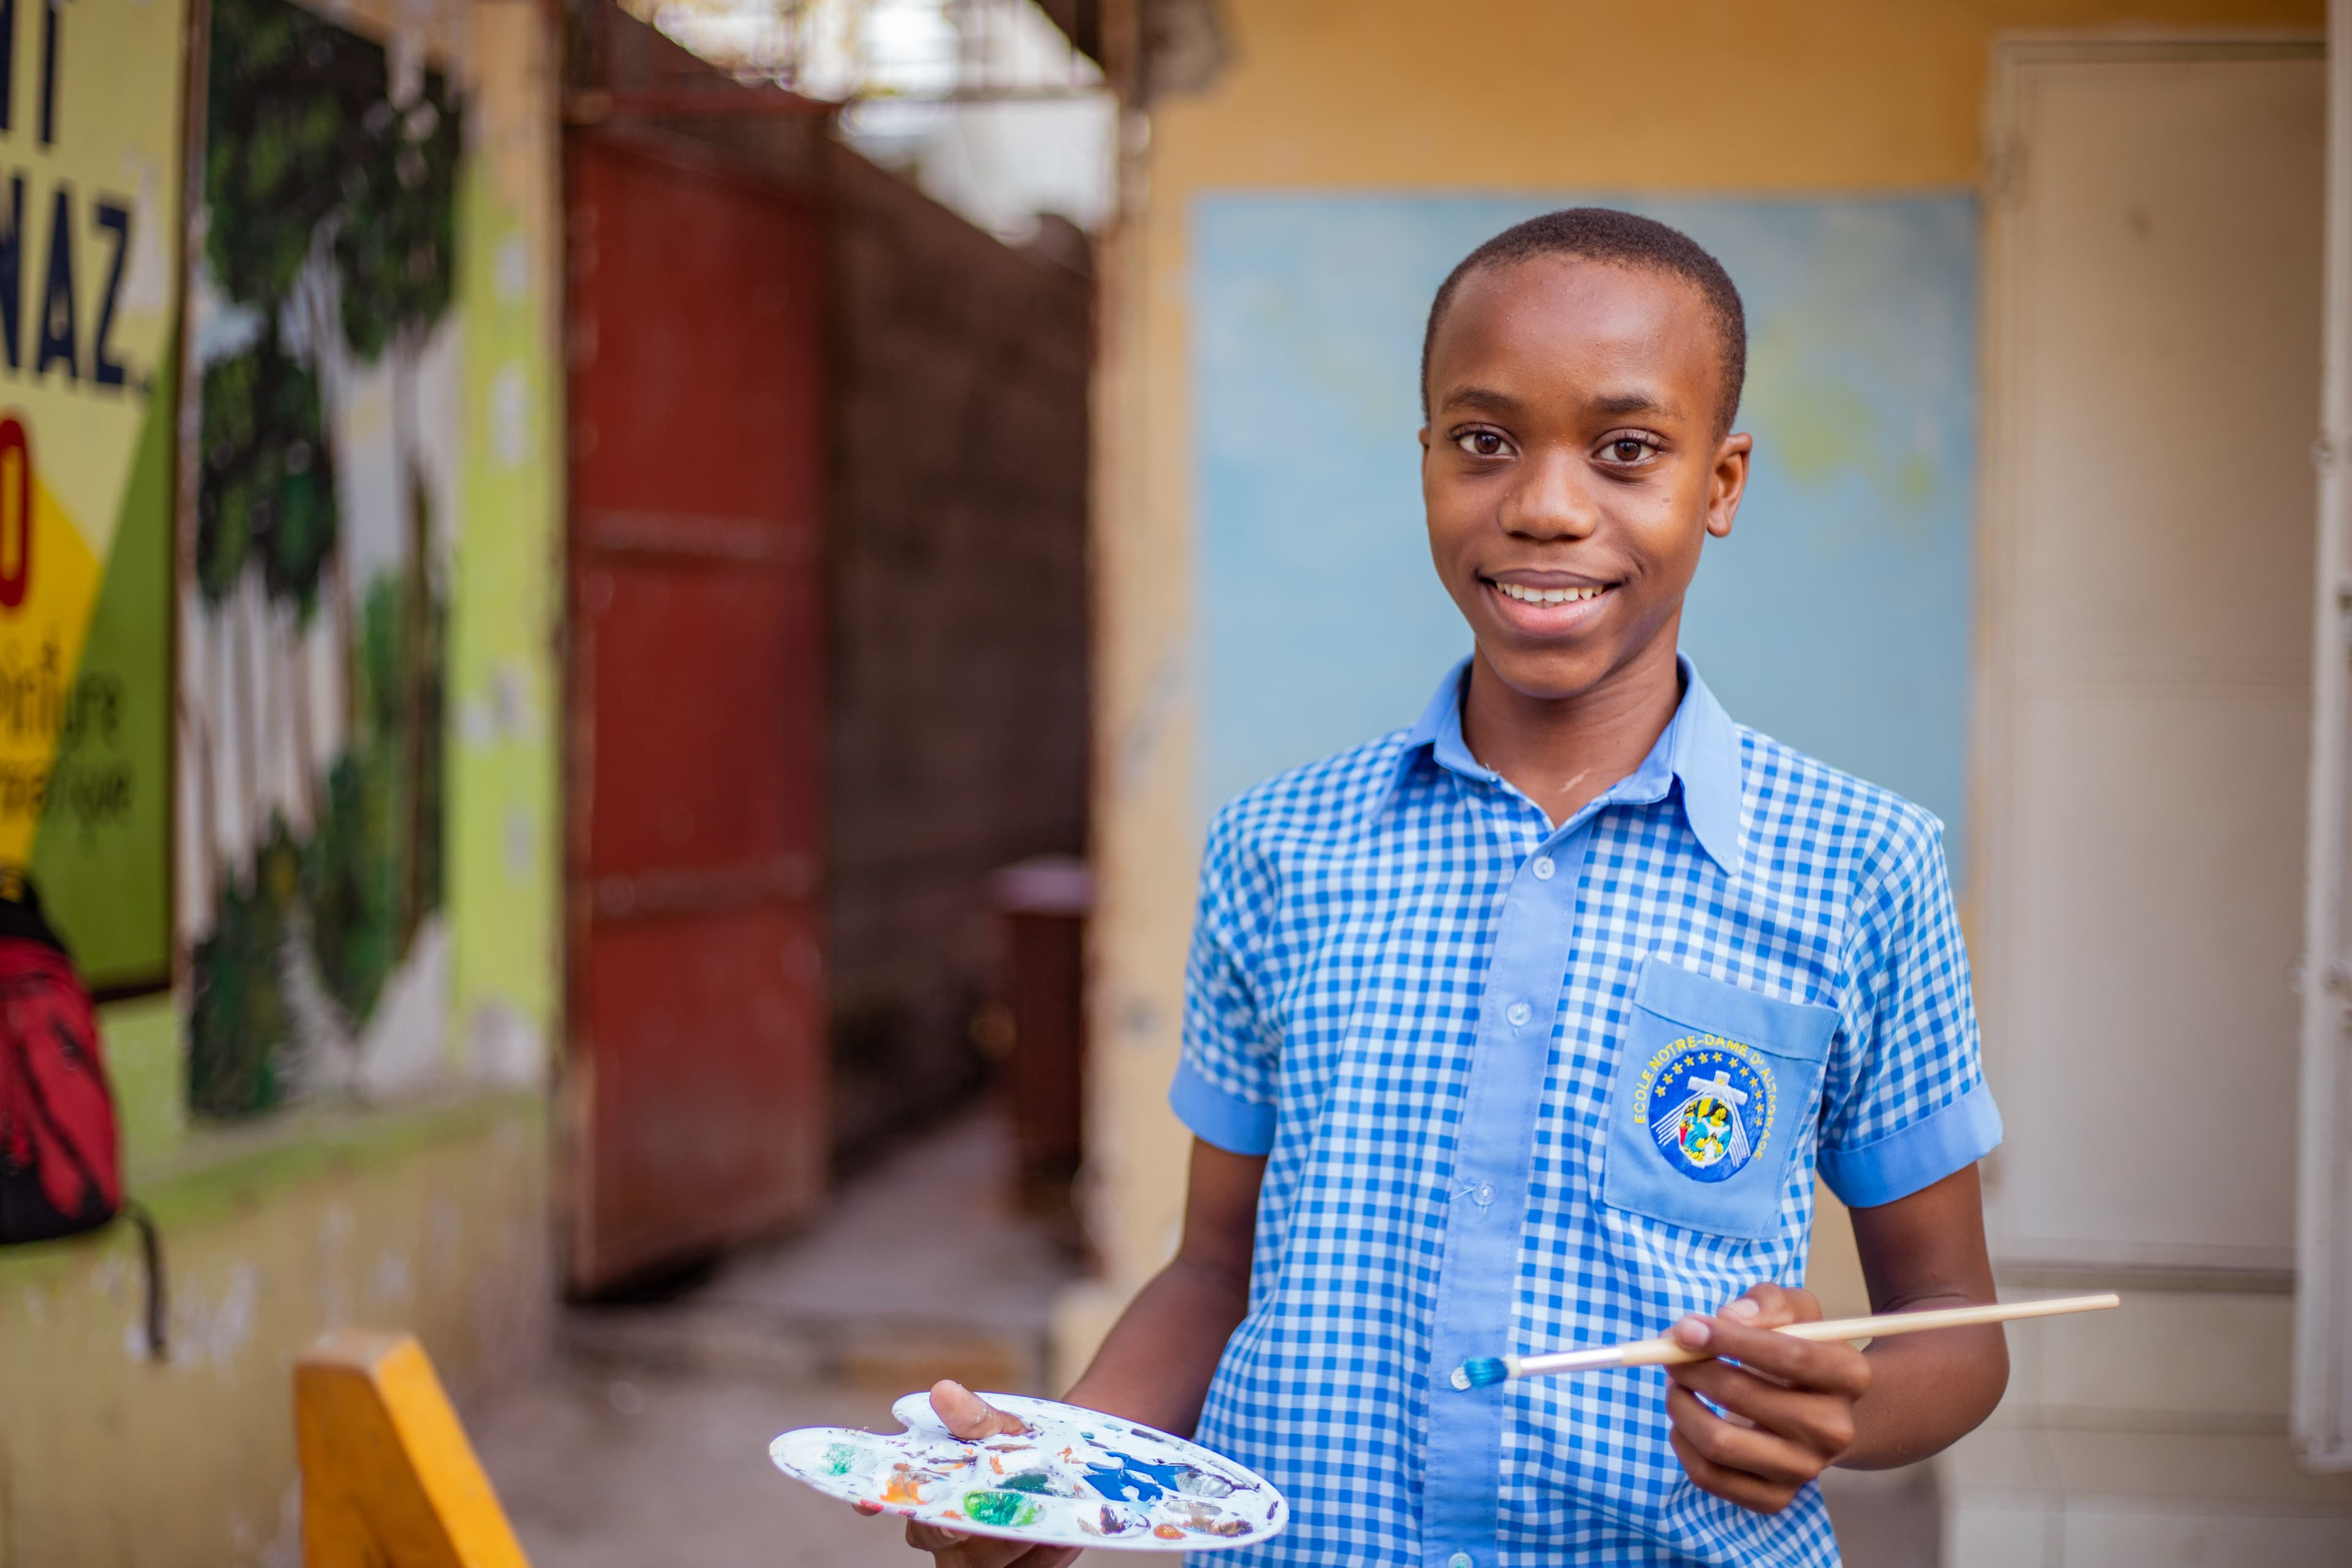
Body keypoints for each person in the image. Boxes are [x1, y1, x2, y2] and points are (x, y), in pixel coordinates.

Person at [903, 208, 2007, 1567]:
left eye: (1626, 449)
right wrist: (1052, 1481)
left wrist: (1837, 1410)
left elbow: (1952, 1327)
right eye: (1484, 440)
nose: (1545, 506)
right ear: (1425, 459)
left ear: (1720, 483)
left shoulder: (1858, 862)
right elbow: (1214, 1268)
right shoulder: (1280, 847)